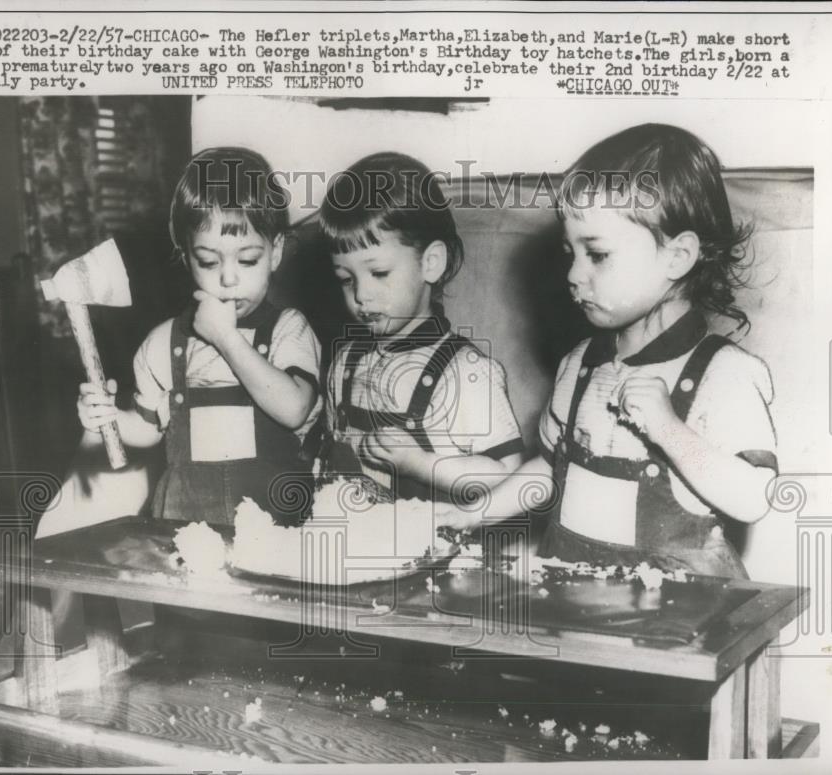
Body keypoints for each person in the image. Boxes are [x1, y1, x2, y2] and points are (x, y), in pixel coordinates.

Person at [439, 124, 777, 578]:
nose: (573, 275)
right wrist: (477, 511)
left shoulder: (725, 374)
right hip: (573, 602)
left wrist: (667, 429)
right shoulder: (579, 364)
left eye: (596, 255)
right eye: (569, 253)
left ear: (677, 257)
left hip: (678, 622)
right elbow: (550, 468)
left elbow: (753, 497)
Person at [77, 147, 322, 525]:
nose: (228, 278)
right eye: (209, 261)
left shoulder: (289, 328)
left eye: (247, 259)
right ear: (186, 257)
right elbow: (148, 430)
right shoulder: (163, 341)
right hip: (184, 521)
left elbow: (293, 410)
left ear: (275, 253)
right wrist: (106, 419)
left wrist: (226, 338)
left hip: (273, 525)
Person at [316, 151, 524, 503]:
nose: (361, 295)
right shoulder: (346, 361)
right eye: (345, 279)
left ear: (431, 263)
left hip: (433, 551)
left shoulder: (467, 373)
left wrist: (422, 465)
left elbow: (507, 476)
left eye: (379, 273)